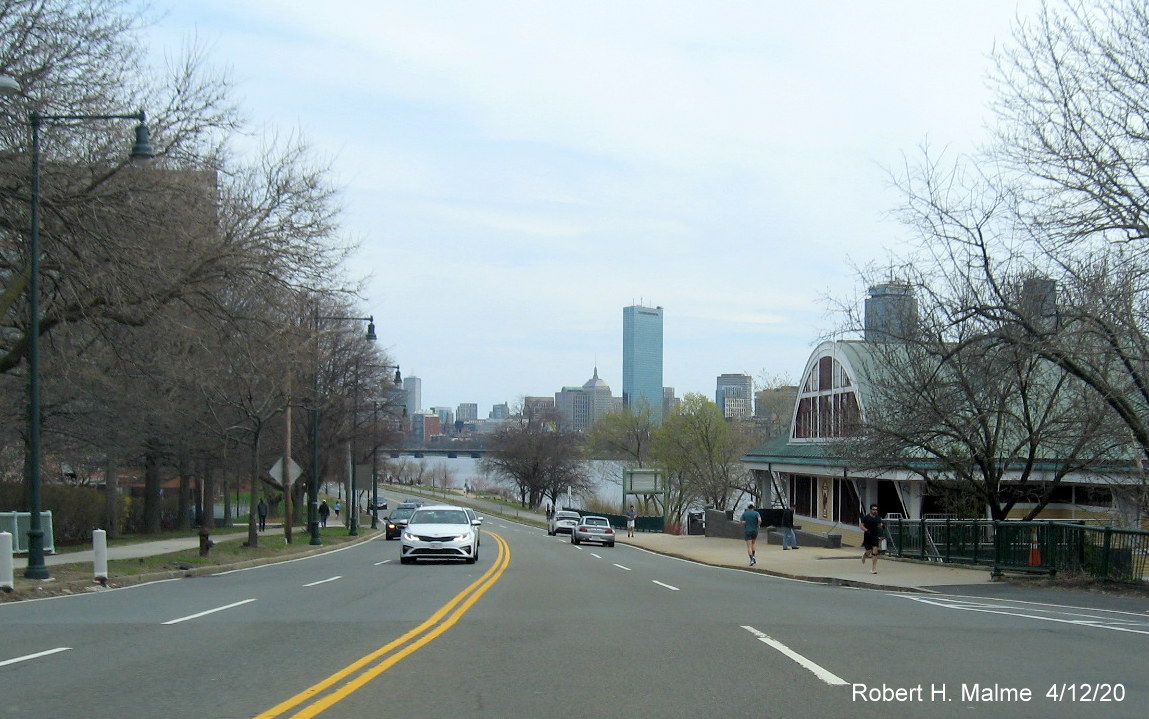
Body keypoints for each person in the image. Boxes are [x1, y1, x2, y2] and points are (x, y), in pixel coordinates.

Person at [860, 503, 884, 574]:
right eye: (873, 510)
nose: (875, 511)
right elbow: (861, 526)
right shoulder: (866, 517)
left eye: (876, 510)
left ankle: (873, 569)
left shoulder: (878, 518)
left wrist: (882, 531)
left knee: (875, 552)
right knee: (869, 551)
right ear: (870, 510)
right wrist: (866, 530)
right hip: (868, 536)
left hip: (875, 536)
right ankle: (865, 556)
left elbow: (879, 525)